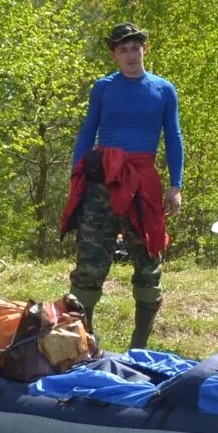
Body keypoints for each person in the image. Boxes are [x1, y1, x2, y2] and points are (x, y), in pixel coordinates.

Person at [61, 24, 185, 349]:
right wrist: (77, 177)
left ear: (144, 48)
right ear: (114, 54)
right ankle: (85, 342)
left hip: (143, 183)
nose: (130, 55)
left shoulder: (163, 89)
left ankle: (139, 346)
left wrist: (176, 185)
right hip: (102, 179)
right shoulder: (103, 88)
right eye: (122, 49)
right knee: (91, 259)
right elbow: (88, 131)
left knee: (147, 258)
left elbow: (173, 137)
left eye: (134, 47)